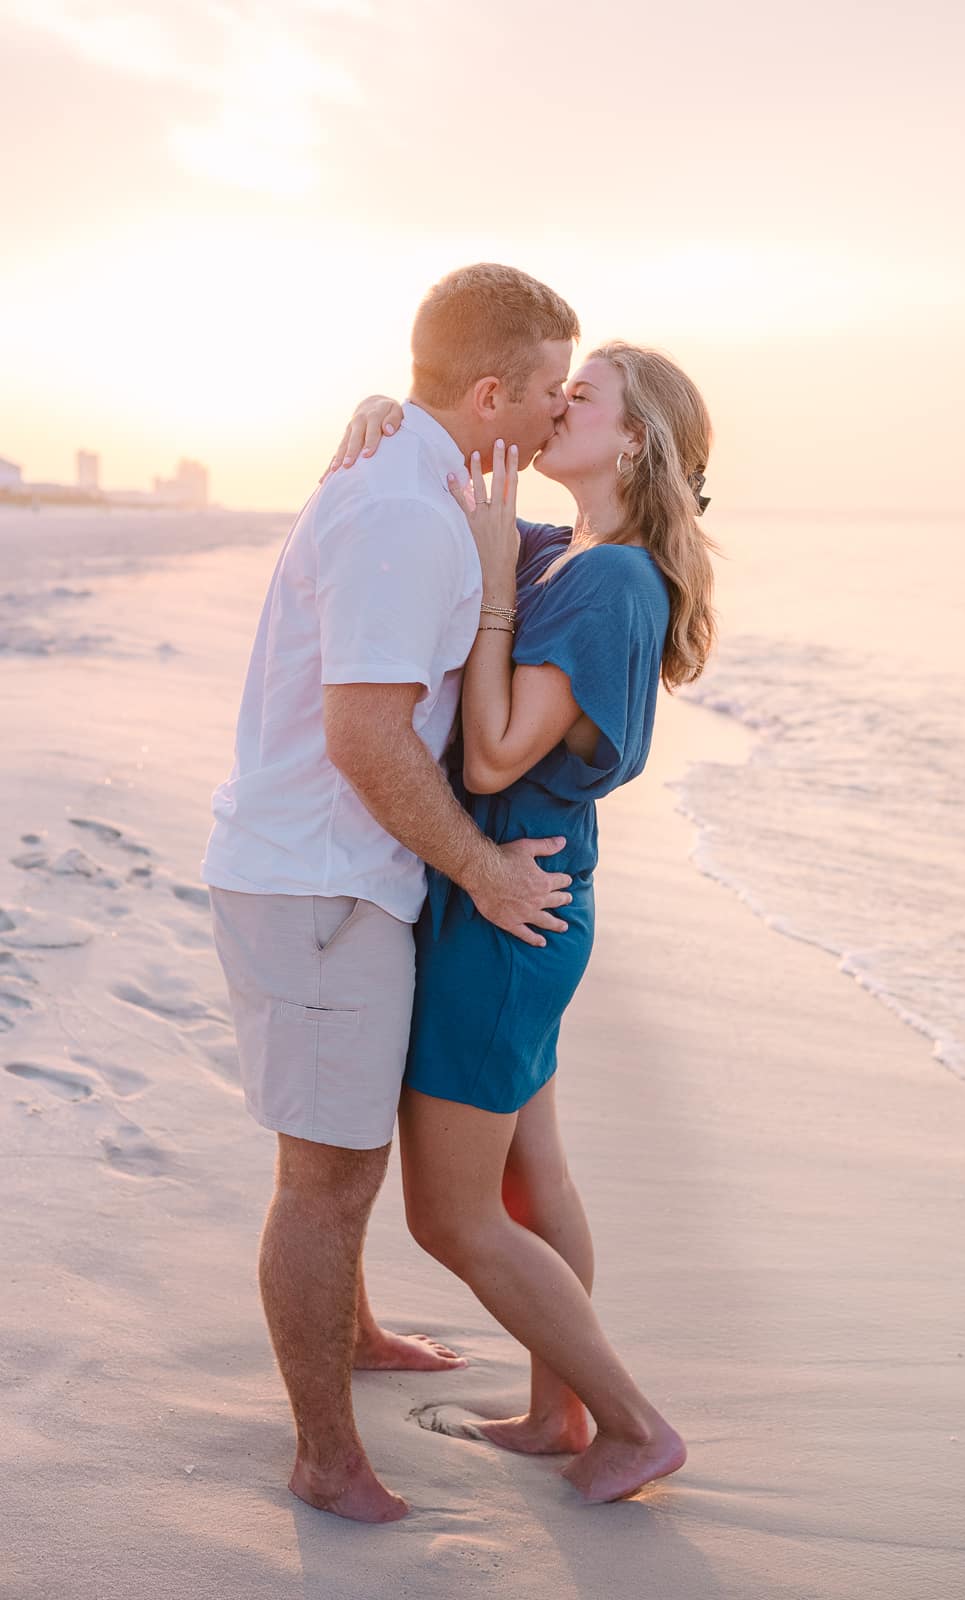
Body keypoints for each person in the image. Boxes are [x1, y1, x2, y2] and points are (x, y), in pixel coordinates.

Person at [201, 263, 581, 1524]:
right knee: (326, 1177)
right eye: (541, 391)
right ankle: (322, 1456)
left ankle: (356, 1334)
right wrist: (479, 868)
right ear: (488, 391)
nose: (552, 411)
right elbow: (367, 736)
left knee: (341, 1156)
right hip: (318, 884)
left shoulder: (429, 486)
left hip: (345, 877)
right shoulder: (404, 517)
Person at [325, 337, 716, 1503]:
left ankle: (632, 1425)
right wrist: (384, 408)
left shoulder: (607, 577)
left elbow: (494, 753)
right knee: (528, 1180)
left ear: (632, 438)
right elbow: (444, 488)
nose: (553, 408)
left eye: (579, 397)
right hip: (518, 897)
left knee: (452, 1216)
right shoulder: (574, 552)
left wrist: (495, 593)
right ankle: (558, 1414)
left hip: (509, 907)